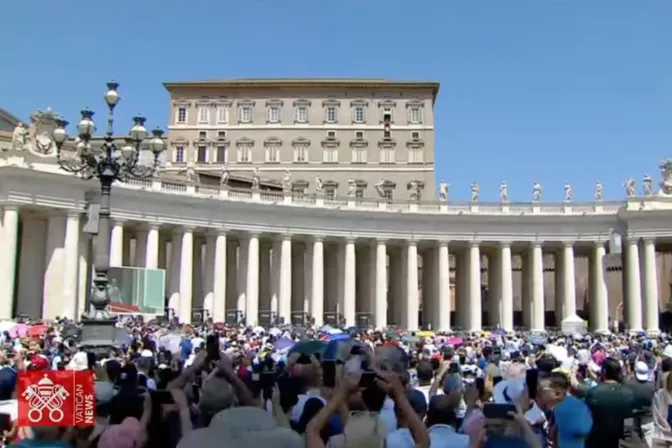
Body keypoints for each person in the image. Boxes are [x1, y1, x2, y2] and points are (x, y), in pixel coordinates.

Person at [584, 357, 635, 448]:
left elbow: (587, 418)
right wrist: (627, 438)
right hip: (617, 440)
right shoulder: (628, 393)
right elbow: (629, 421)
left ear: (604, 372)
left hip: (595, 440)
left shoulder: (594, 392)